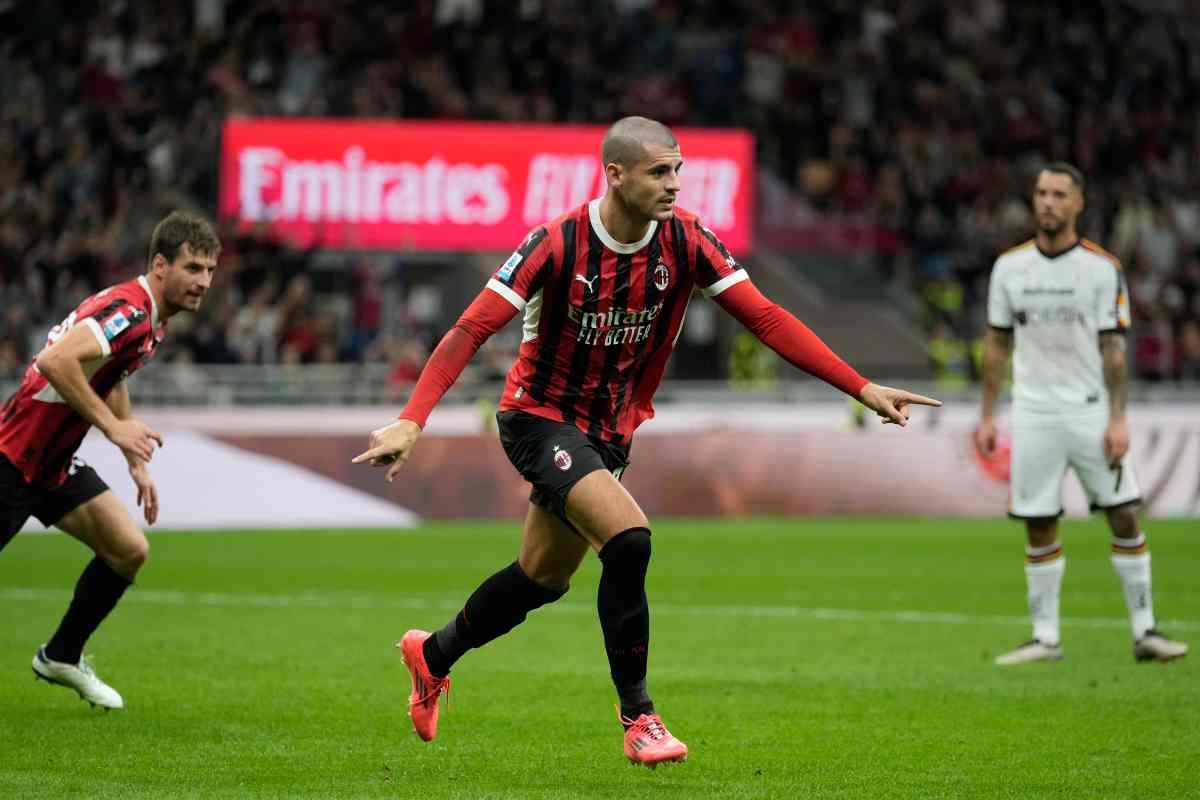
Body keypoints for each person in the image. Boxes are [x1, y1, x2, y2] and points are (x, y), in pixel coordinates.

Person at [354, 117, 940, 766]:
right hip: (538, 417)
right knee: (629, 539)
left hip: (610, 430)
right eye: (660, 172)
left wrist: (861, 386)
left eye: (678, 170)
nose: (674, 184)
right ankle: (640, 718)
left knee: (541, 579)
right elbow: (470, 329)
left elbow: (767, 319)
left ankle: (433, 655)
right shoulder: (557, 243)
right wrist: (413, 418)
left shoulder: (688, 241)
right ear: (616, 175)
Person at [0, 210, 221, 709]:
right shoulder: (131, 311)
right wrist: (113, 427)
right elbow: (55, 361)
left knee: (127, 549)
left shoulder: (150, 321)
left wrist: (133, 460)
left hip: (52, 465)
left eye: (210, 271)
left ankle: (61, 656)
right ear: (161, 266)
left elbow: (111, 376)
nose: (204, 282)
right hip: (12, 459)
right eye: (193, 268)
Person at [976, 163, 1188, 666]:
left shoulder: (1101, 268)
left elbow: (1114, 350)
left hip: (1090, 412)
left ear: (1078, 204)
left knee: (1125, 513)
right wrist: (987, 415)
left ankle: (1145, 630)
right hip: (1033, 413)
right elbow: (997, 344)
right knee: (1038, 522)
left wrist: (1118, 419)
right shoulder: (1009, 268)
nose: (1047, 202)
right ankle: (1045, 637)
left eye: (1058, 194)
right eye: (1041, 193)